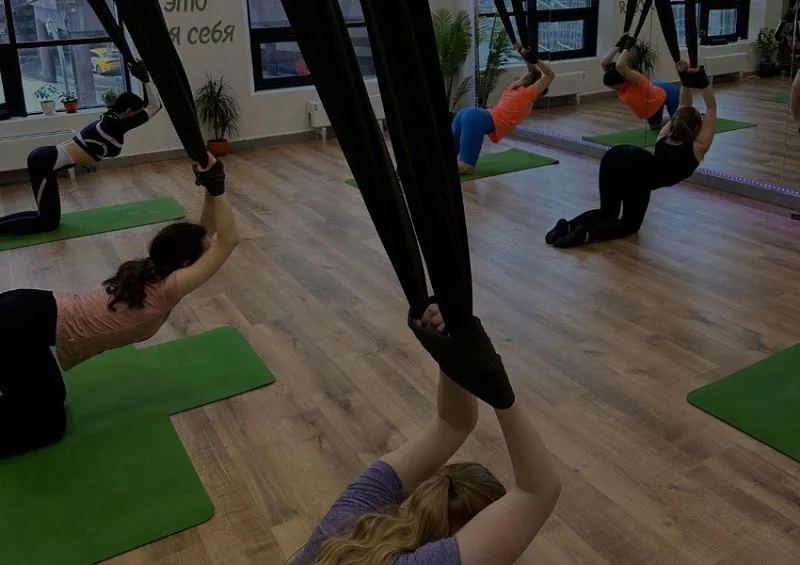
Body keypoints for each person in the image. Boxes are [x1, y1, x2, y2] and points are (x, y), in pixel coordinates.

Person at [0, 154, 236, 459]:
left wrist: (209, 182)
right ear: (188, 264)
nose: (210, 249)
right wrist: (218, 188)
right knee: (50, 427)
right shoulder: (168, 288)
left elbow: (206, 231)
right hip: (15, 327)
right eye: (205, 252)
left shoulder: (161, 268)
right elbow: (228, 241)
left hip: (25, 311)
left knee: (53, 397)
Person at [290, 303, 561, 565]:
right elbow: (538, 492)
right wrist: (497, 386)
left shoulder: (345, 523)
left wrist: (449, 352)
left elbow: (452, 424)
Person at [546, 63, 716, 248]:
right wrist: (703, 82)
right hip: (636, 170)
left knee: (607, 212)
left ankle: (567, 226)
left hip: (615, 155)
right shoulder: (698, 147)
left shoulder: (665, 135)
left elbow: (684, 106)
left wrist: (685, 79)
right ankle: (586, 235)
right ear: (697, 129)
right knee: (630, 225)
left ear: (676, 120)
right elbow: (711, 109)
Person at [0, 60, 162, 236]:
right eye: (136, 113)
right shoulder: (113, 126)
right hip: (43, 162)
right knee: (48, 222)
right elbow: (153, 107)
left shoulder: (113, 120)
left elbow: (153, 107)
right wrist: (145, 78)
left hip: (45, 160)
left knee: (48, 217)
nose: (138, 117)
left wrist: (145, 80)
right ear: (129, 111)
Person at [452, 47, 555, 175]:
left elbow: (533, 73)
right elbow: (550, 75)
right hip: (476, 119)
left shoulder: (514, 87)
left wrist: (525, 54)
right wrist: (537, 60)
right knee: (466, 167)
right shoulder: (527, 94)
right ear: (539, 94)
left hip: (466, 113)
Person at [601, 34, 680, 130]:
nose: (615, 90)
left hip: (667, 92)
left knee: (678, 125)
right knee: (655, 127)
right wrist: (618, 45)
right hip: (653, 99)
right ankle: (670, 119)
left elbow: (620, 66)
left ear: (622, 79)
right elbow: (604, 63)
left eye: (615, 87)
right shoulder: (614, 78)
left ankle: (681, 117)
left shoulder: (634, 79)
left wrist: (627, 47)